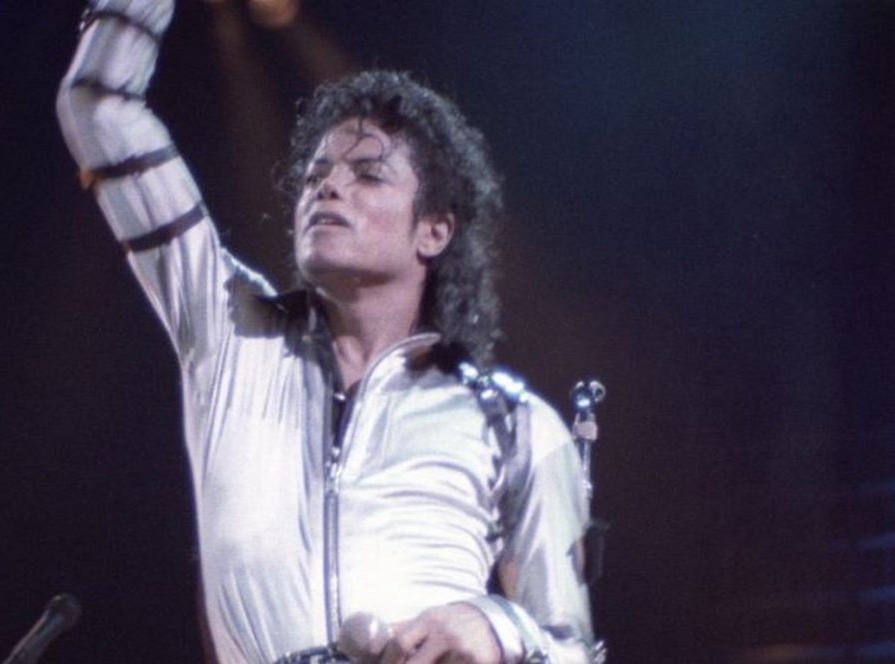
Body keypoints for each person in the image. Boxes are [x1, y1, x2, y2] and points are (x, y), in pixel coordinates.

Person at [56, 1, 597, 661]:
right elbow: (98, 105)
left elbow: (573, 648)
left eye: (367, 174)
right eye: (316, 175)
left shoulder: (515, 425)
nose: (328, 187)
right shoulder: (228, 331)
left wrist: (497, 629)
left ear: (434, 230)